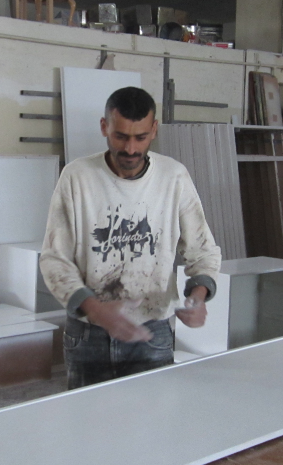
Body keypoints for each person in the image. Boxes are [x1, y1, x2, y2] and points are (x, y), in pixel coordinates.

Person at [40, 86, 222, 391]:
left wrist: (199, 297)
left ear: (154, 130)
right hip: (88, 335)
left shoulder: (173, 177)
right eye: (121, 136)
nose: (131, 149)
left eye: (140, 137)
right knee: (87, 427)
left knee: (150, 429)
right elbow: (55, 260)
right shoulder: (77, 177)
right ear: (104, 127)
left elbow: (202, 250)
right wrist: (97, 311)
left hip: (152, 332)